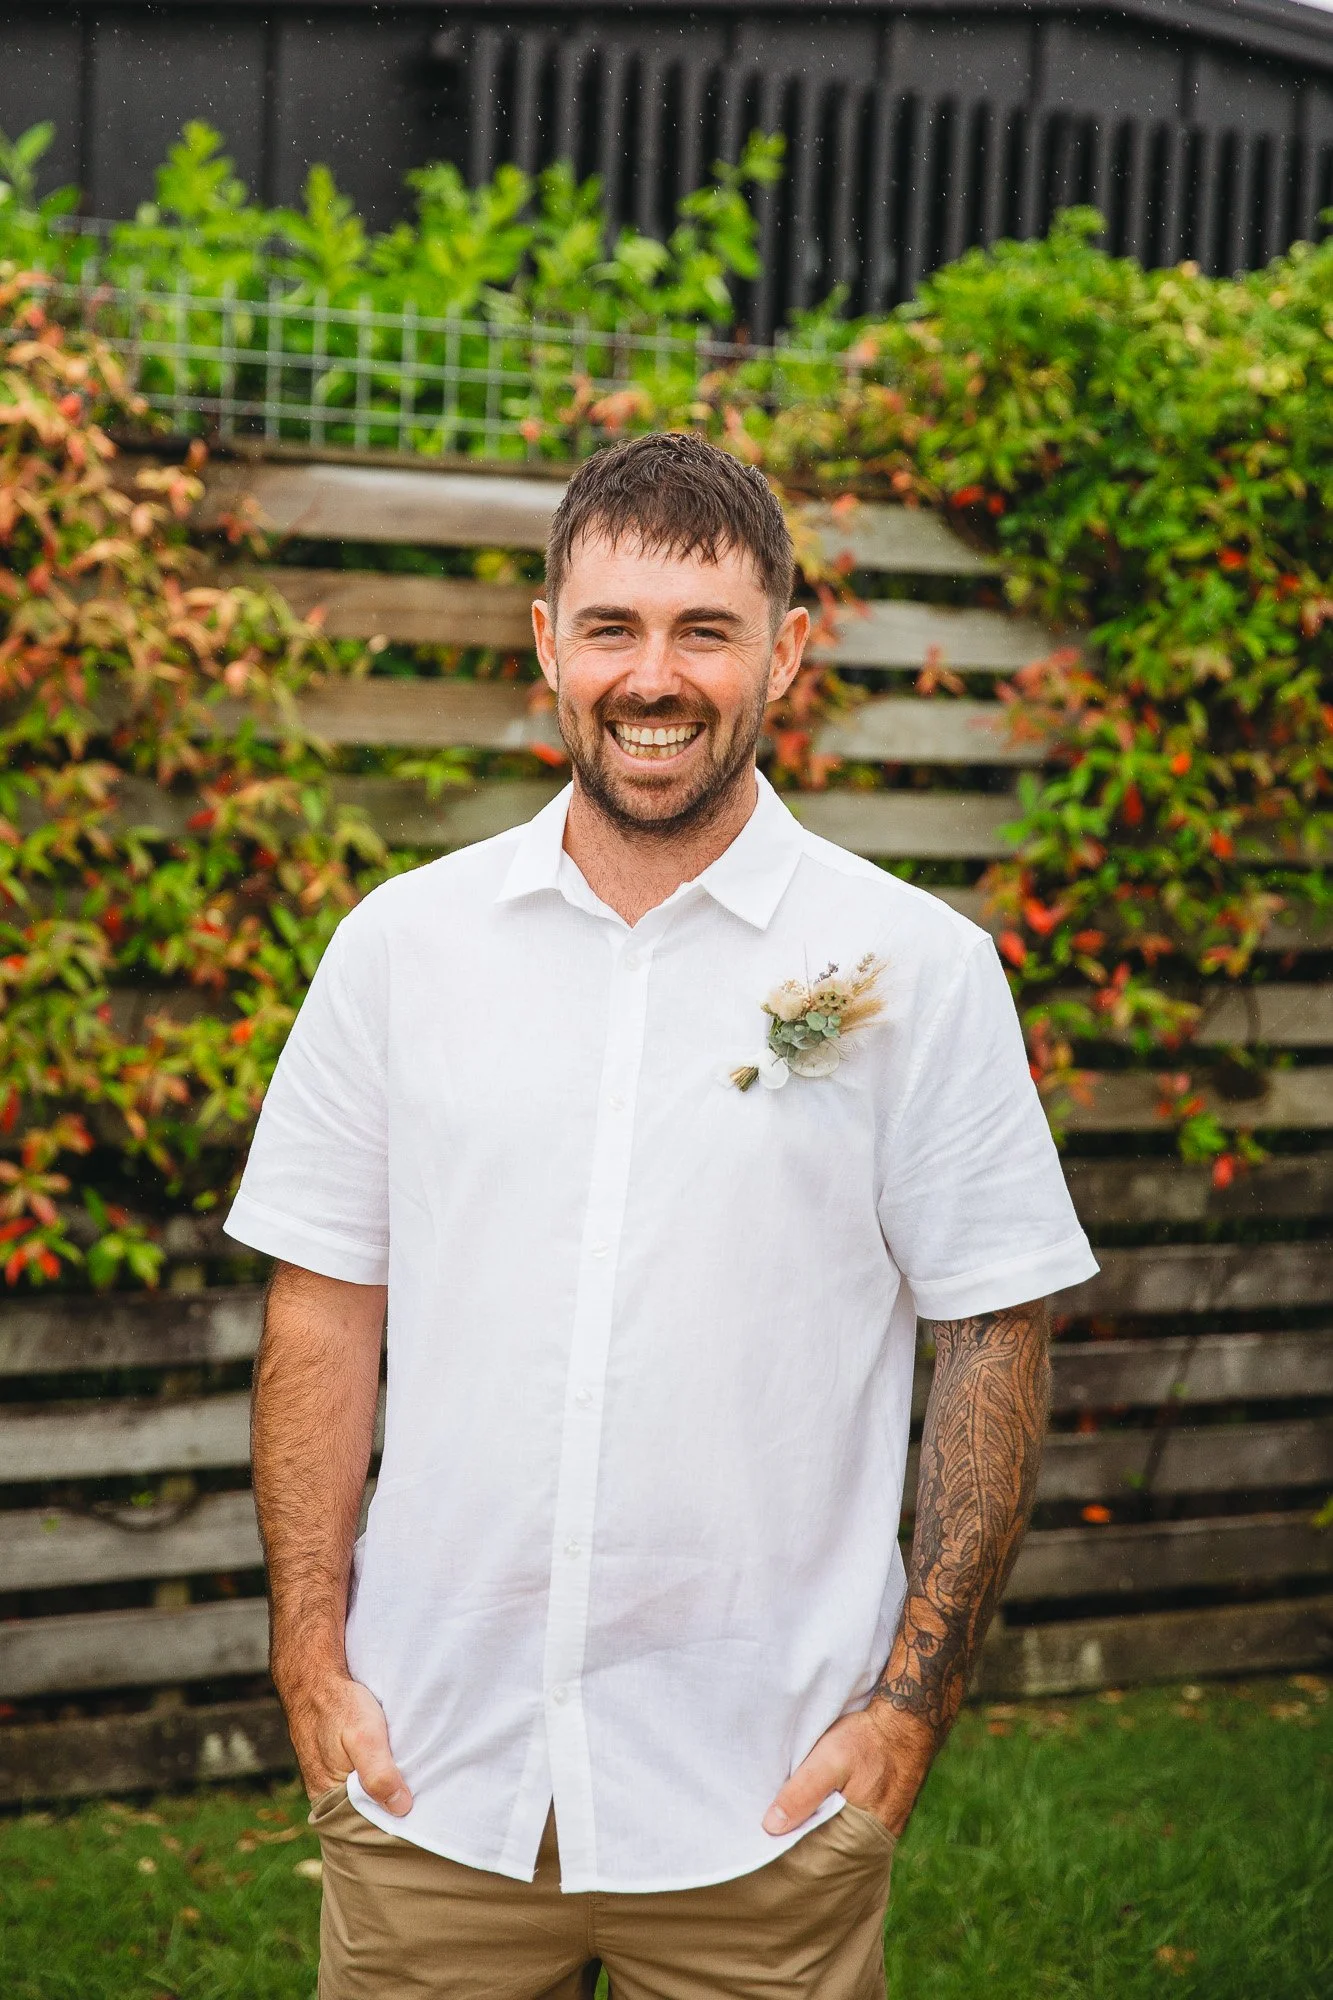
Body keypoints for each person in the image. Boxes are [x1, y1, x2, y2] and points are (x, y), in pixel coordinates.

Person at [226, 431, 1097, 1999]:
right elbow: (323, 1306)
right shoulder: (399, 948)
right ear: (545, 642)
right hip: (433, 1777)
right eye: (613, 627)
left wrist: (912, 1706)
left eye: (706, 631)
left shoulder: (919, 969)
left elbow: (995, 1333)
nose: (654, 676)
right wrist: (308, 1654)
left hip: (764, 1805)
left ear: (788, 652)